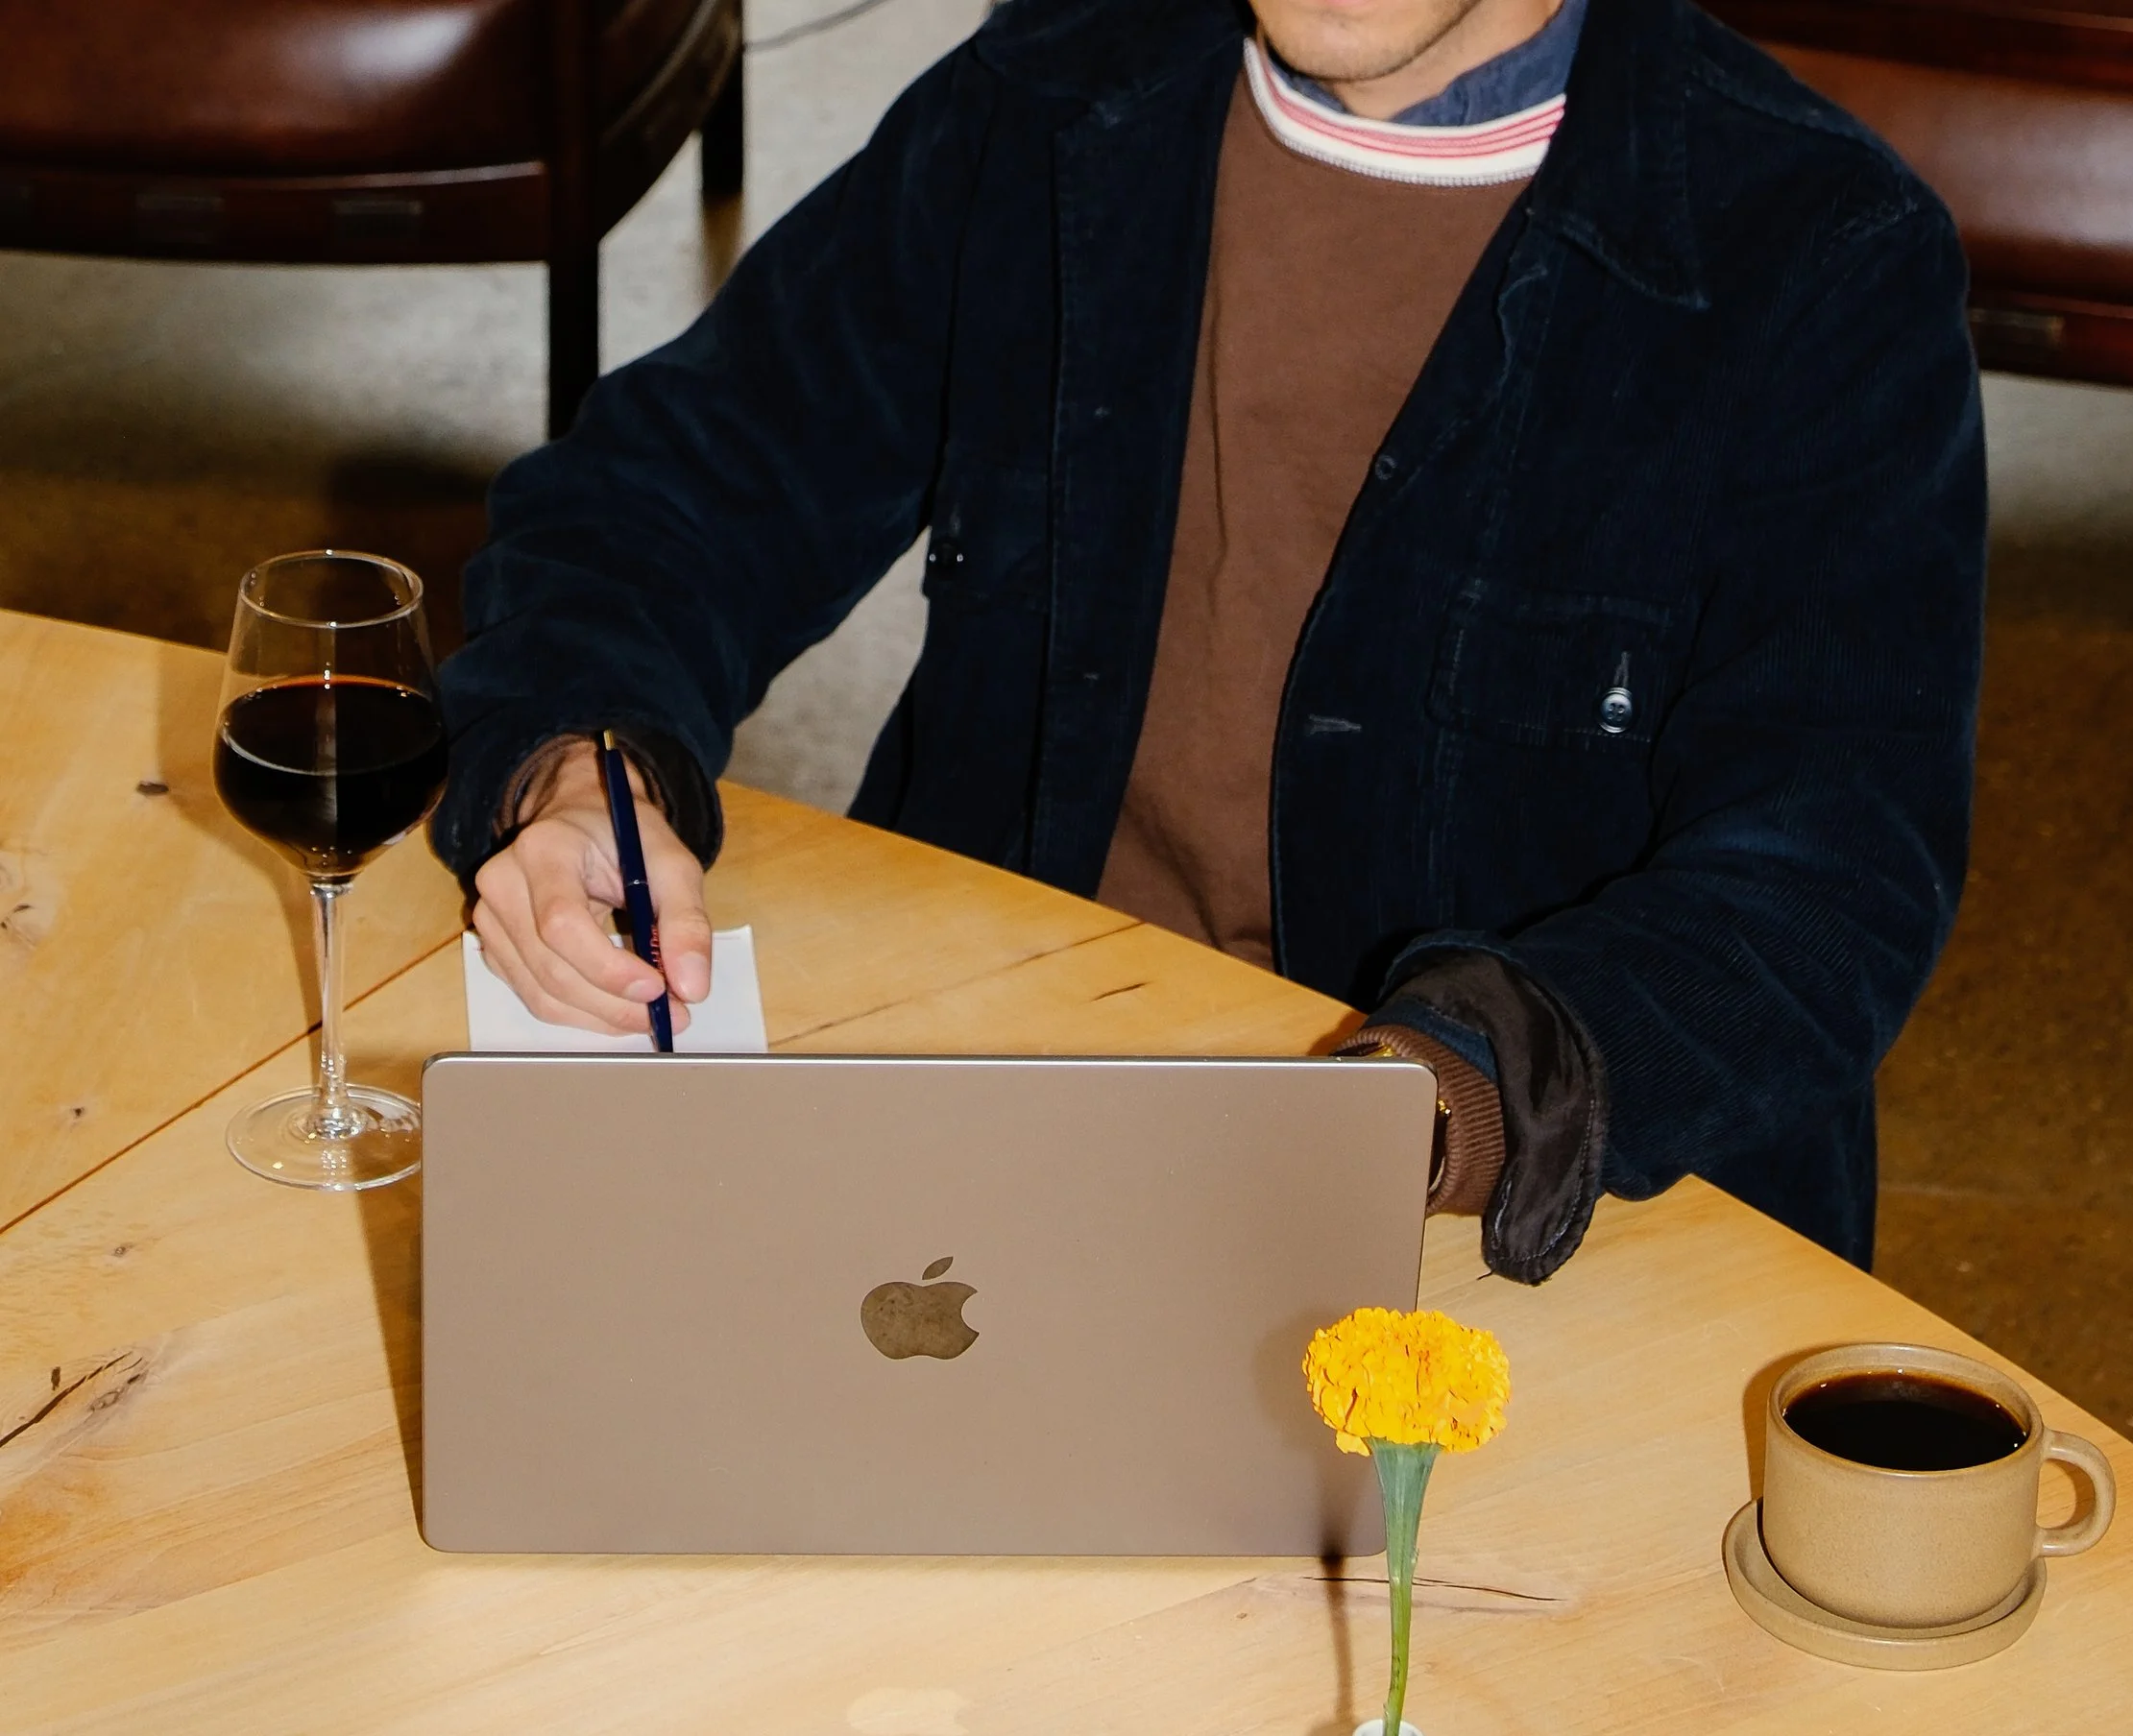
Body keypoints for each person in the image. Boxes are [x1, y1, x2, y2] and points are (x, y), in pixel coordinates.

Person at [433, 0, 1985, 1283]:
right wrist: (579, 765)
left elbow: (1832, 875)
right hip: (1003, 1126)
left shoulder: (1823, 253)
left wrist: (1445, 1104)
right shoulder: (1045, 96)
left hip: (1524, 1225)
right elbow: (680, 491)